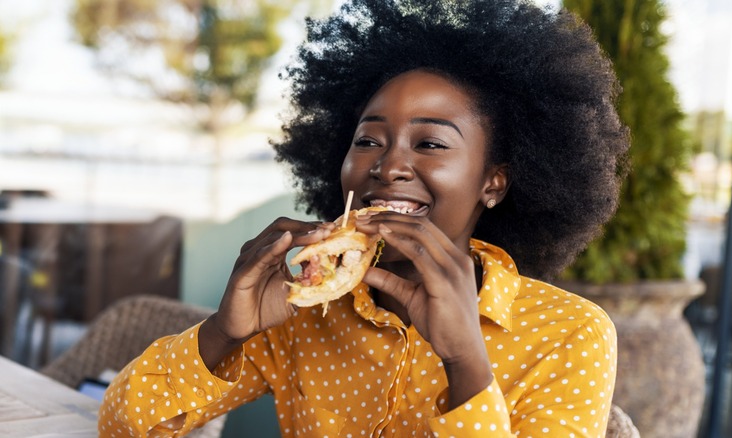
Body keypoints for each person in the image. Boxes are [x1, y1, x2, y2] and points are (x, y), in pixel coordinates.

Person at [98, 0, 629, 436]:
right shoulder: (303, 307)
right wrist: (224, 332)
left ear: (493, 181)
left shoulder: (569, 334)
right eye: (368, 140)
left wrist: (466, 359)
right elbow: (123, 426)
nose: (390, 165)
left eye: (430, 142)